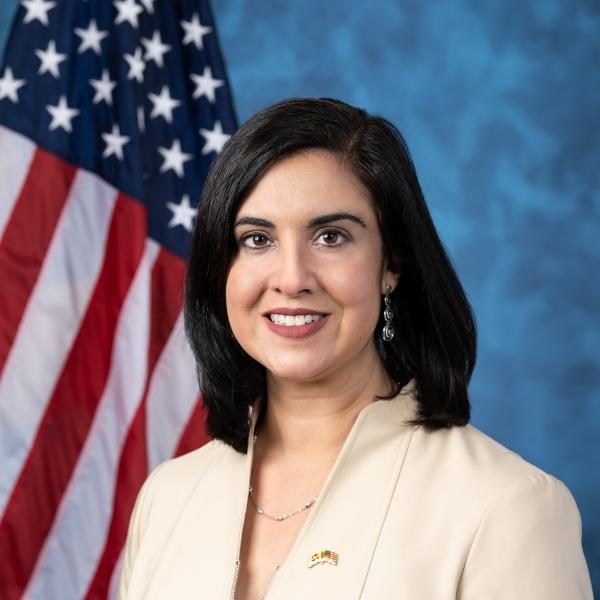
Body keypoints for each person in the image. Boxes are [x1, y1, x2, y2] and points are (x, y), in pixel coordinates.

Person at [118, 98, 593, 599]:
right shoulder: (167, 499)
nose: (292, 279)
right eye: (257, 239)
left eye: (331, 236)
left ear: (391, 265)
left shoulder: (507, 507)